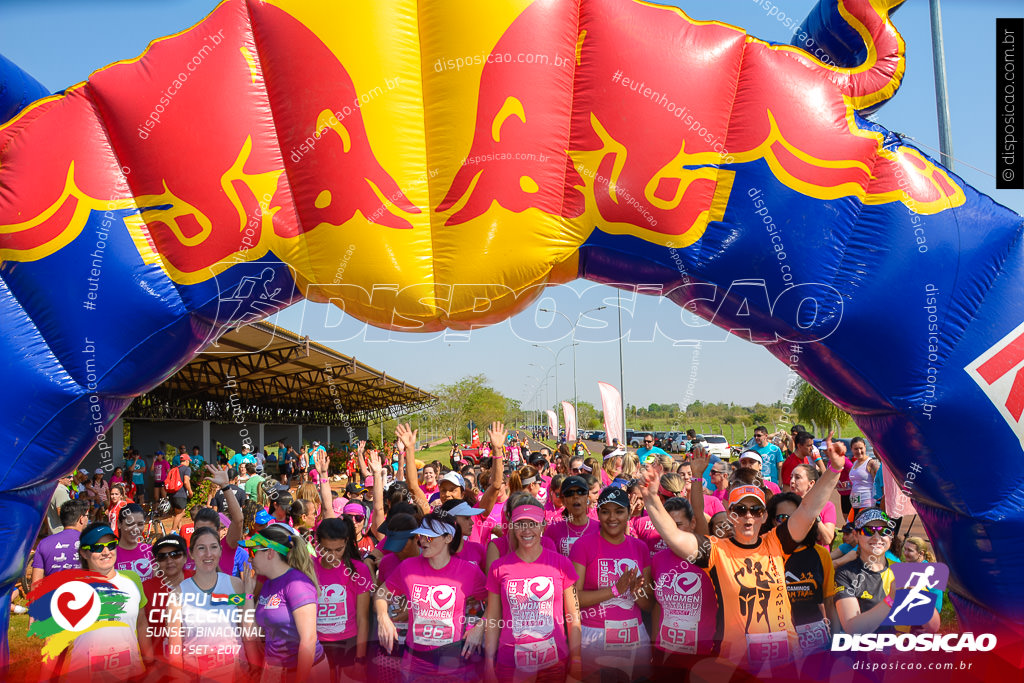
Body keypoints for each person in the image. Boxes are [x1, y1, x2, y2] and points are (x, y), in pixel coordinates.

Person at [640, 439, 847, 672]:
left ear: (763, 515)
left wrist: (834, 470)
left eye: (755, 510)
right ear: (730, 514)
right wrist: (651, 498)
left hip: (785, 663)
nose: (748, 516)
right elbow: (674, 536)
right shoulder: (715, 550)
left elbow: (808, 509)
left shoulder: (777, 542)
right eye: (740, 509)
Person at [376, 513, 487, 681]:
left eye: (429, 537)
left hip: (452, 660)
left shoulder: (468, 571)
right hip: (415, 660)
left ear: (448, 538)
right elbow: (381, 593)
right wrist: (383, 617)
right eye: (421, 535)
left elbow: (495, 601)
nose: (422, 540)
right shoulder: (408, 567)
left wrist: (480, 628)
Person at [483, 496, 581, 683]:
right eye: (520, 524)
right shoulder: (498, 567)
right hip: (510, 661)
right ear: (512, 526)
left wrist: (576, 658)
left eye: (532, 524)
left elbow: (573, 616)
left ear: (543, 525)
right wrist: (488, 662)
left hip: (554, 661)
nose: (527, 530)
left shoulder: (561, 564)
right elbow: (493, 619)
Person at [39, 522, 146, 682]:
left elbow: (142, 625)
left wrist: (149, 663)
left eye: (111, 545)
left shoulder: (133, 580)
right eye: (97, 548)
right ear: (84, 553)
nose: (106, 552)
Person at [570, 486, 653, 681]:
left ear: (629, 513)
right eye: (605, 512)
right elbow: (574, 599)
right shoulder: (583, 545)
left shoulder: (640, 548)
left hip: (634, 633)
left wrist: (636, 593)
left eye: (619, 511)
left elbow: (649, 605)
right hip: (594, 633)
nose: (612, 518)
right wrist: (616, 589)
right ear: (597, 513)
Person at [241, 523, 329, 681]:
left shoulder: (297, 583)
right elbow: (251, 632)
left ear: (270, 552)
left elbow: (308, 639)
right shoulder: (268, 583)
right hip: (275, 671)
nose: (249, 558)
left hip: (307, 671)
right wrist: (248, 595)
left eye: (253, 552)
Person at [649, 497, 718, 677]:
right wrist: (655, 647)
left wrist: (696, 476)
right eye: (668, 526)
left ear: (693, 523)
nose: (672, 533)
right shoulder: (658, 559)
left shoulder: (708, 555)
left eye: (678, 525)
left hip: (703, 655)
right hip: (665, 653)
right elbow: (658, 605)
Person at [170, 525, 250, 681]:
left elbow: (247, 633)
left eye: (213, 547)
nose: (208, 554)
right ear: (191, 554)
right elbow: (175, 650)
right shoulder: (178, 594)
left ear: (220, 551)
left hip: (236, 674)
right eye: (201, 548)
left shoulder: (235, 585)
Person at [765, 492, 837, 654]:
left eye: (796, 517)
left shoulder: (821, 554)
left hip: (815, 640)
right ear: (771, 521)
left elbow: (829, 602)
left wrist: (836, 639)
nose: (790, 524)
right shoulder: (762, 556)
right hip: (777, 642)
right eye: (782, 518)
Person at [834, 509, 918, 634]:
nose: (877, 537)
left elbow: (931, 625)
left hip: (897, 649)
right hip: (862, 651)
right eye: (869, 531)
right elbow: (852, 628)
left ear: (891, 536)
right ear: (856, 535)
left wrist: (921, 599)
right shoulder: (845, 574)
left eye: (884, 531)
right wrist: (891, 599)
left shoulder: (904, 572)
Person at [314, 516, 372, 682]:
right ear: (317, 543)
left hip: (349, 645)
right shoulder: (309, 568)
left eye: (338, 550)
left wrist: (360, 659)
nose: (332, 556)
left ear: (347, 542)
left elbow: (362, 619)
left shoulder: (358, 571)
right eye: (326, 550)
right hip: (317, 644)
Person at [140, 534, 190, 670]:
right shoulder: (145, 588)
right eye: (162, 557)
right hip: (160, 667)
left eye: (175, 554)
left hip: (198, 664)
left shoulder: (199, 581)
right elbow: (141, 627)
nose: (169, 560)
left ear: (185, 557)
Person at [32, 499, 90, 583]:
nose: (88, 520)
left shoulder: (44, 543)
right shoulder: (91, 541)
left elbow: (35, 585)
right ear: (81, 519)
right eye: (87, 516)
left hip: (52, 594)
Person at [543, 475, 599, 557]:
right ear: (563, 500)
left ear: (587, 497)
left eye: (580, 492)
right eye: (570, 493)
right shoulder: (553, 531)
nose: (576, 496)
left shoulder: (599, 529)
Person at [789, 464, 837, 547]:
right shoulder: (786, 504)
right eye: (791, 477)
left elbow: (827, 539)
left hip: (817, 555)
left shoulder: (827, 506)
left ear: (811, 483)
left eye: (797, 477)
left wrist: (814, 515)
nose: (792, 481)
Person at [115, 503, 155, 580]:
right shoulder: (110, 555)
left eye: (140, 524)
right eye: (130, 524)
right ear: (119, 524)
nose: (135, 529)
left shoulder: (151, 551)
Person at [848, 437, 878, 517]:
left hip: (867, 502)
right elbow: (856, 482)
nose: (859, 451)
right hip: (855, 503)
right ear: (852, 449)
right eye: (856, 449)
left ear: (865, 447)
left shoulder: (871, 463)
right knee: (851, 526)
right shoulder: (855, 463)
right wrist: (847, 484)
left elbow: (878, 482)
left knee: (862, 528)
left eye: (861, 448)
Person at [169, 454, 194, 532]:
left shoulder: (175, 469)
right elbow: (186, 481)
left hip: (173, 493)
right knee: (182, 513)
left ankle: (179, 530)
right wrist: (190, 491)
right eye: (188, 461)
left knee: (177, 513)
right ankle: (172, 531)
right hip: (181, 494)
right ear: (186, 461)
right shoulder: (187, 469)